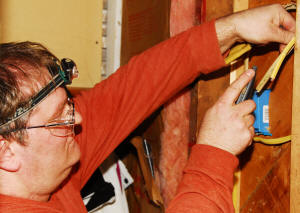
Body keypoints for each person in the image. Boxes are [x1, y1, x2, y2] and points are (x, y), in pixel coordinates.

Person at [0, 3, 295, 213]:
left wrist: (232, 27)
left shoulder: (43, 164)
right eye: (58, 120)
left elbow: (132, 88)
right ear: (6, 152)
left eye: (69, 104)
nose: (76, 118)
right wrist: (213, 155)